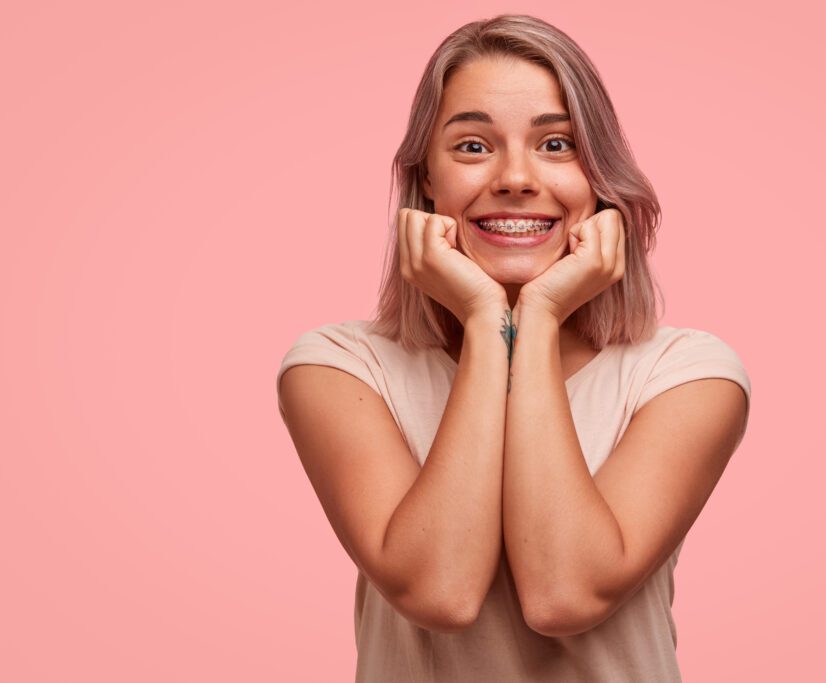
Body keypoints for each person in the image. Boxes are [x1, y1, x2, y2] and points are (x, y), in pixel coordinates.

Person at [275, 14, 751, 682]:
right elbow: (440, 589)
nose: (517, 177)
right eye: (473, 147)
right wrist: (482, 316)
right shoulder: (339, 368)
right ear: (427, 180)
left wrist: (540, 315)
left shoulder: (688, 375)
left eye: (557, 144)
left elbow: (564, 592)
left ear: (599, 177)